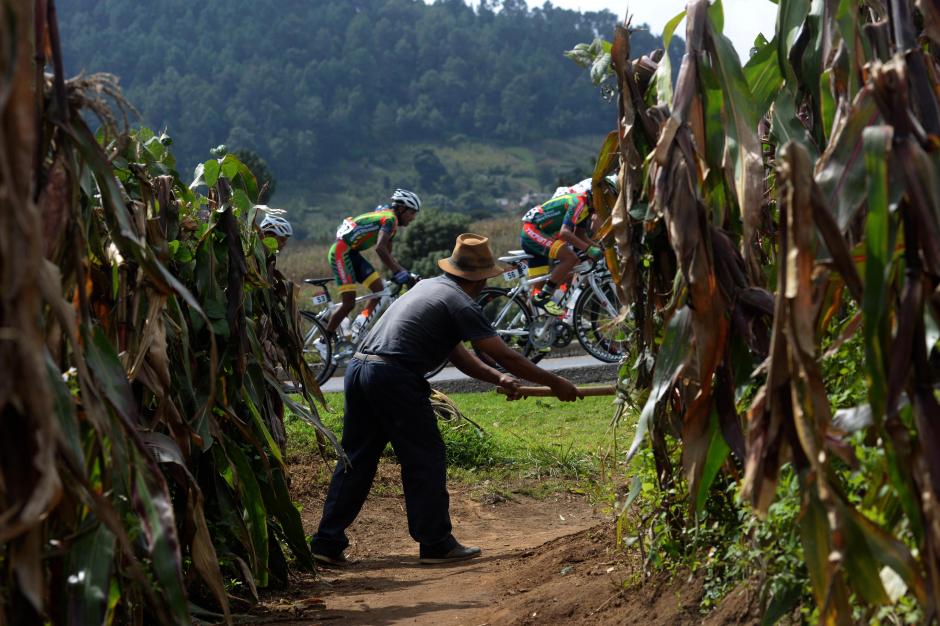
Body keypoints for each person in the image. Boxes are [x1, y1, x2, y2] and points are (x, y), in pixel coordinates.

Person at [310, 233, 584, 566]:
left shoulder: (428, 288)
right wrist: (555, 383)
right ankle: (436, 543)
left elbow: (459, 354)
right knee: (425, 456)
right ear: (480, 279)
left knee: (356, 458)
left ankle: (326, 543)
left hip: (359, 368)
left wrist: (498, 378)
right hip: (394, 377)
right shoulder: (461, 302)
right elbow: (505, 354)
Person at [318, 189, 421, 349]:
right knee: (349, 303)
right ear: (401, 209)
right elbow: (380, 249)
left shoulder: (388, 218)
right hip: (341, 252)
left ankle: (359, 325)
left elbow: (388, 253)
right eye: (412, 212)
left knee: (379, 289)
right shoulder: (389, 219)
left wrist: (402, 271)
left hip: (351, 253)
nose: (413, 218)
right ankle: (324, 342)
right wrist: (399, 272)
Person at [519, 191, 602, 316]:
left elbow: (580, 235)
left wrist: (602, 249)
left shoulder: (587, 209)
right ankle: (544, 296)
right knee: (570, 258)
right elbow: (565, 233)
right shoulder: (579, 202)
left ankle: (530, 326)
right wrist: (589, 249)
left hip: (540, 233)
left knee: (537, 290)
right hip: (532, 231)